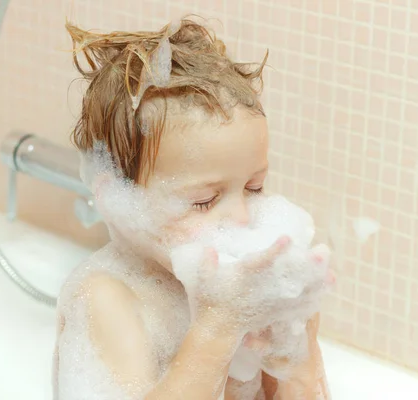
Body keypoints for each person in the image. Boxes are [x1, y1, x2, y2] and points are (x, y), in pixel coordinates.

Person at [53, 16, 330, 400]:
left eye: (254, 187)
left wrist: (298, 353)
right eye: (204, 201)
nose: (241, 218)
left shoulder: (240, 286)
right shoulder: (110, 299)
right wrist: (217, 328)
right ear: (119, 201)